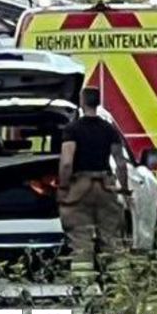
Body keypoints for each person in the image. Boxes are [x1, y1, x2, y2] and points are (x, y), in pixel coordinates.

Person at [57, 87, 130, 276]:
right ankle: (121, 286)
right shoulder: (109, 129)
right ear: (98, 102)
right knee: (112, 237)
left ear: (81, 102)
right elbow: (121, 163)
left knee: (81, 238)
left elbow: (66, 163)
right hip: (106, 186)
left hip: (80, 186)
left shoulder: (72, 130)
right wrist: (123, 189)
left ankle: (85, 288)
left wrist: (63, 188)